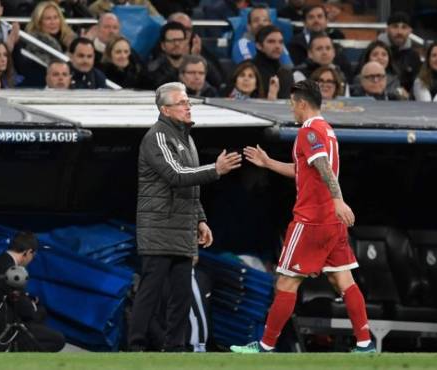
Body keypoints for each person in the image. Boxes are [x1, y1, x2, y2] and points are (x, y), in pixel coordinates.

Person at [230, 79, 376, 354]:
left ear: (301, 103)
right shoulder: (327, 130)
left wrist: (337, 199)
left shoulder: (309, 132)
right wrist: (269, 163)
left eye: (292, 104)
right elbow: (304, 170)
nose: (291, 109)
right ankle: (365, 343)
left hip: (311, 220)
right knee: (343, 280)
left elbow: (322, 166)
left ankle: (266, 346)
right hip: (331, 222)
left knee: (286, 282)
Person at [128, 82, 242, 351]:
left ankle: (175, 348)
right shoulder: (157, 137)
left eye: (188, 102)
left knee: (181, 294)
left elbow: (190, 184)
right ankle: (134, 346)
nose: (188, 106)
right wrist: (215, 169)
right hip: (158, 228)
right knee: (150, 292)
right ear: (165, 109)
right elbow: (176, 175)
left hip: (181, 228)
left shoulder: (186, 139)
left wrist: (200, 220)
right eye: (182, 103)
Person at [0, 231, 65, 352]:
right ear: (28, 252)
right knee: (57, 339)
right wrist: (36, 308)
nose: (31, 260)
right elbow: (26, 310)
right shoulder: (11, 271)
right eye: (32, 256)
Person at [377, 11, 421, 92]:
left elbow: (418, 85)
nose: (399, 32)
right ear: (387, 29)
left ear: (410, 31)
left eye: (404, 27)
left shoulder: (413, 56)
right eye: (395, 26)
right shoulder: (373, 51)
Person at [25, 1, 76, 65]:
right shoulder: (34, 43)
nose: (53, 22)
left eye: (56, 17)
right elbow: (53, 67)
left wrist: (74, 45)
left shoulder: (69, 38)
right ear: (39, 22)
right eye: (48, 19)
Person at [251, 25, 293, 100]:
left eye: (280, 42)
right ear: (259, 45)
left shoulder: (286, 74)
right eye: (271, 41)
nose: (277, 46)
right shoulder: (248, 70)